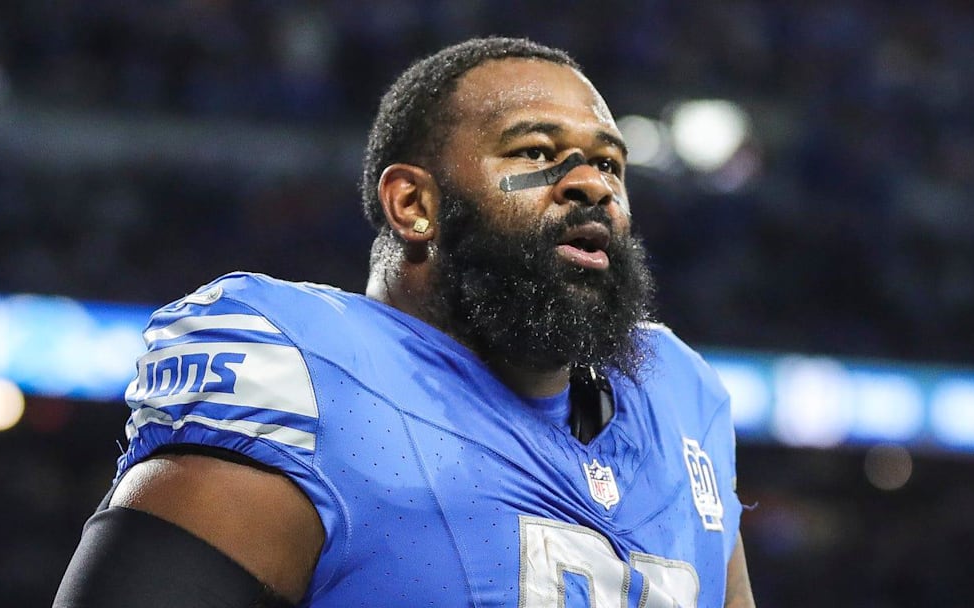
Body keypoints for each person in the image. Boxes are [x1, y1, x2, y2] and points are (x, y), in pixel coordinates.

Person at [54, 36, 756, 608]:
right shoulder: (308, 373)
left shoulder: (681, 398)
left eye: (610, 164)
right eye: (536, 153)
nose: (592, 183)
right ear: (414, 204)